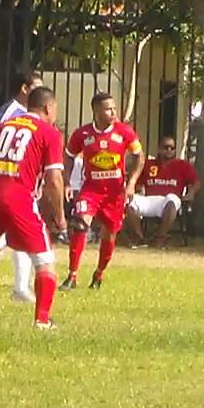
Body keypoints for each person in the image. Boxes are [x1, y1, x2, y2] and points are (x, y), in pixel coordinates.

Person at [0, 86, 67, 328]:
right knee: (44, 260)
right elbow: (54, 179)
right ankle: (42, 321)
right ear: (48, 107)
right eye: (55, 109)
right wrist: (60, 215)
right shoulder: (49, 133)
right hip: (18, 198)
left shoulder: (3, 126)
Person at [62, 91, 144, 290]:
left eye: (114, 108)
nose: (113, 112)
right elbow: (69, 156)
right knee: (80, 224)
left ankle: (99, 273)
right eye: (108, 109)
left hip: (115, 193)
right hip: (90, 190)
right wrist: (66, 182)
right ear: (96, 111)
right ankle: (72, 275)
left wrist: (131, 183)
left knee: (109, 235)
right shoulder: (82, 134)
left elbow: (139, 156)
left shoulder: (125, 132)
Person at [0, 69, 43, 301]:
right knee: (23, 232)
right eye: (36, 87)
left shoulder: (28, 114)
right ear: (24, 89)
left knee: (4, 236)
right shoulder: (11, 113)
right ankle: (20, 288)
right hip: (10, 182)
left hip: (22, 182)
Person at [125, 135, 199, 248]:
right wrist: (135, 189)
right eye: (166, 147)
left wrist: (191, 193)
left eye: (172, 148)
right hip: (150, 199)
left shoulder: (182, 165)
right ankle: (138, 237)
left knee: (172, 199)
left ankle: (160, 237)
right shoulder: (148, 164)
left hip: (169, 200)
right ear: (159, 149)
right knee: (129, 201)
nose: (169, 150)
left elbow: (196, 182)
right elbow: (138, 184)